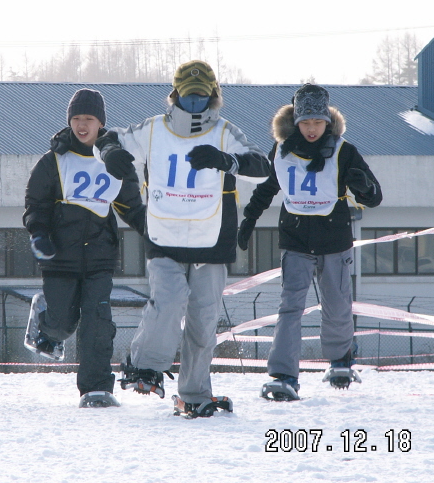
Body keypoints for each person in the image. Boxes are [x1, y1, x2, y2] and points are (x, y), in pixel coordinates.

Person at [94, 60, 270, 418]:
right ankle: (143, 365)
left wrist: (226, 161)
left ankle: (194, 392)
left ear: (212, 96)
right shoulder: (155, 129)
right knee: (169, 300)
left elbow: (262, 166)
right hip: (165, 235)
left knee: (204, 320)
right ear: (175, 95)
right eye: (188, 96)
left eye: (201, 96)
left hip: (213, 240)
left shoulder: (223, 132)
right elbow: (108, 138)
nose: (194, 103)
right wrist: (111, 153)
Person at [237, 83, 382, 401]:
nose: (312, 128)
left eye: (318, 122)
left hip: (335, 240)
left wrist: (364, 187)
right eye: (306, 122)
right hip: (296, 240)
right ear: (295, 121)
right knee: (290, 308)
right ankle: (284, 374)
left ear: (328, 121)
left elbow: (375, 197)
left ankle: (341, 360)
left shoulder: (345, 152)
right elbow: (266, 188)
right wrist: (248, 220)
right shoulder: (281, 151)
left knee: (337, 305)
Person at [23, 88, 146, 408]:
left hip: (100, 258)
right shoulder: (54, 161)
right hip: (59, 257)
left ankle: (96, 388)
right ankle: (45, 317)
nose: (81, 124)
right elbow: (36, 204)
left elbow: (132, 207)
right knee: (62, 323)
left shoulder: (114, 159)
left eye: (88, 119)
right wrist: (39, 234)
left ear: (100, 123)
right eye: (76, 119)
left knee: (97, 321)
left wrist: (154, 233)